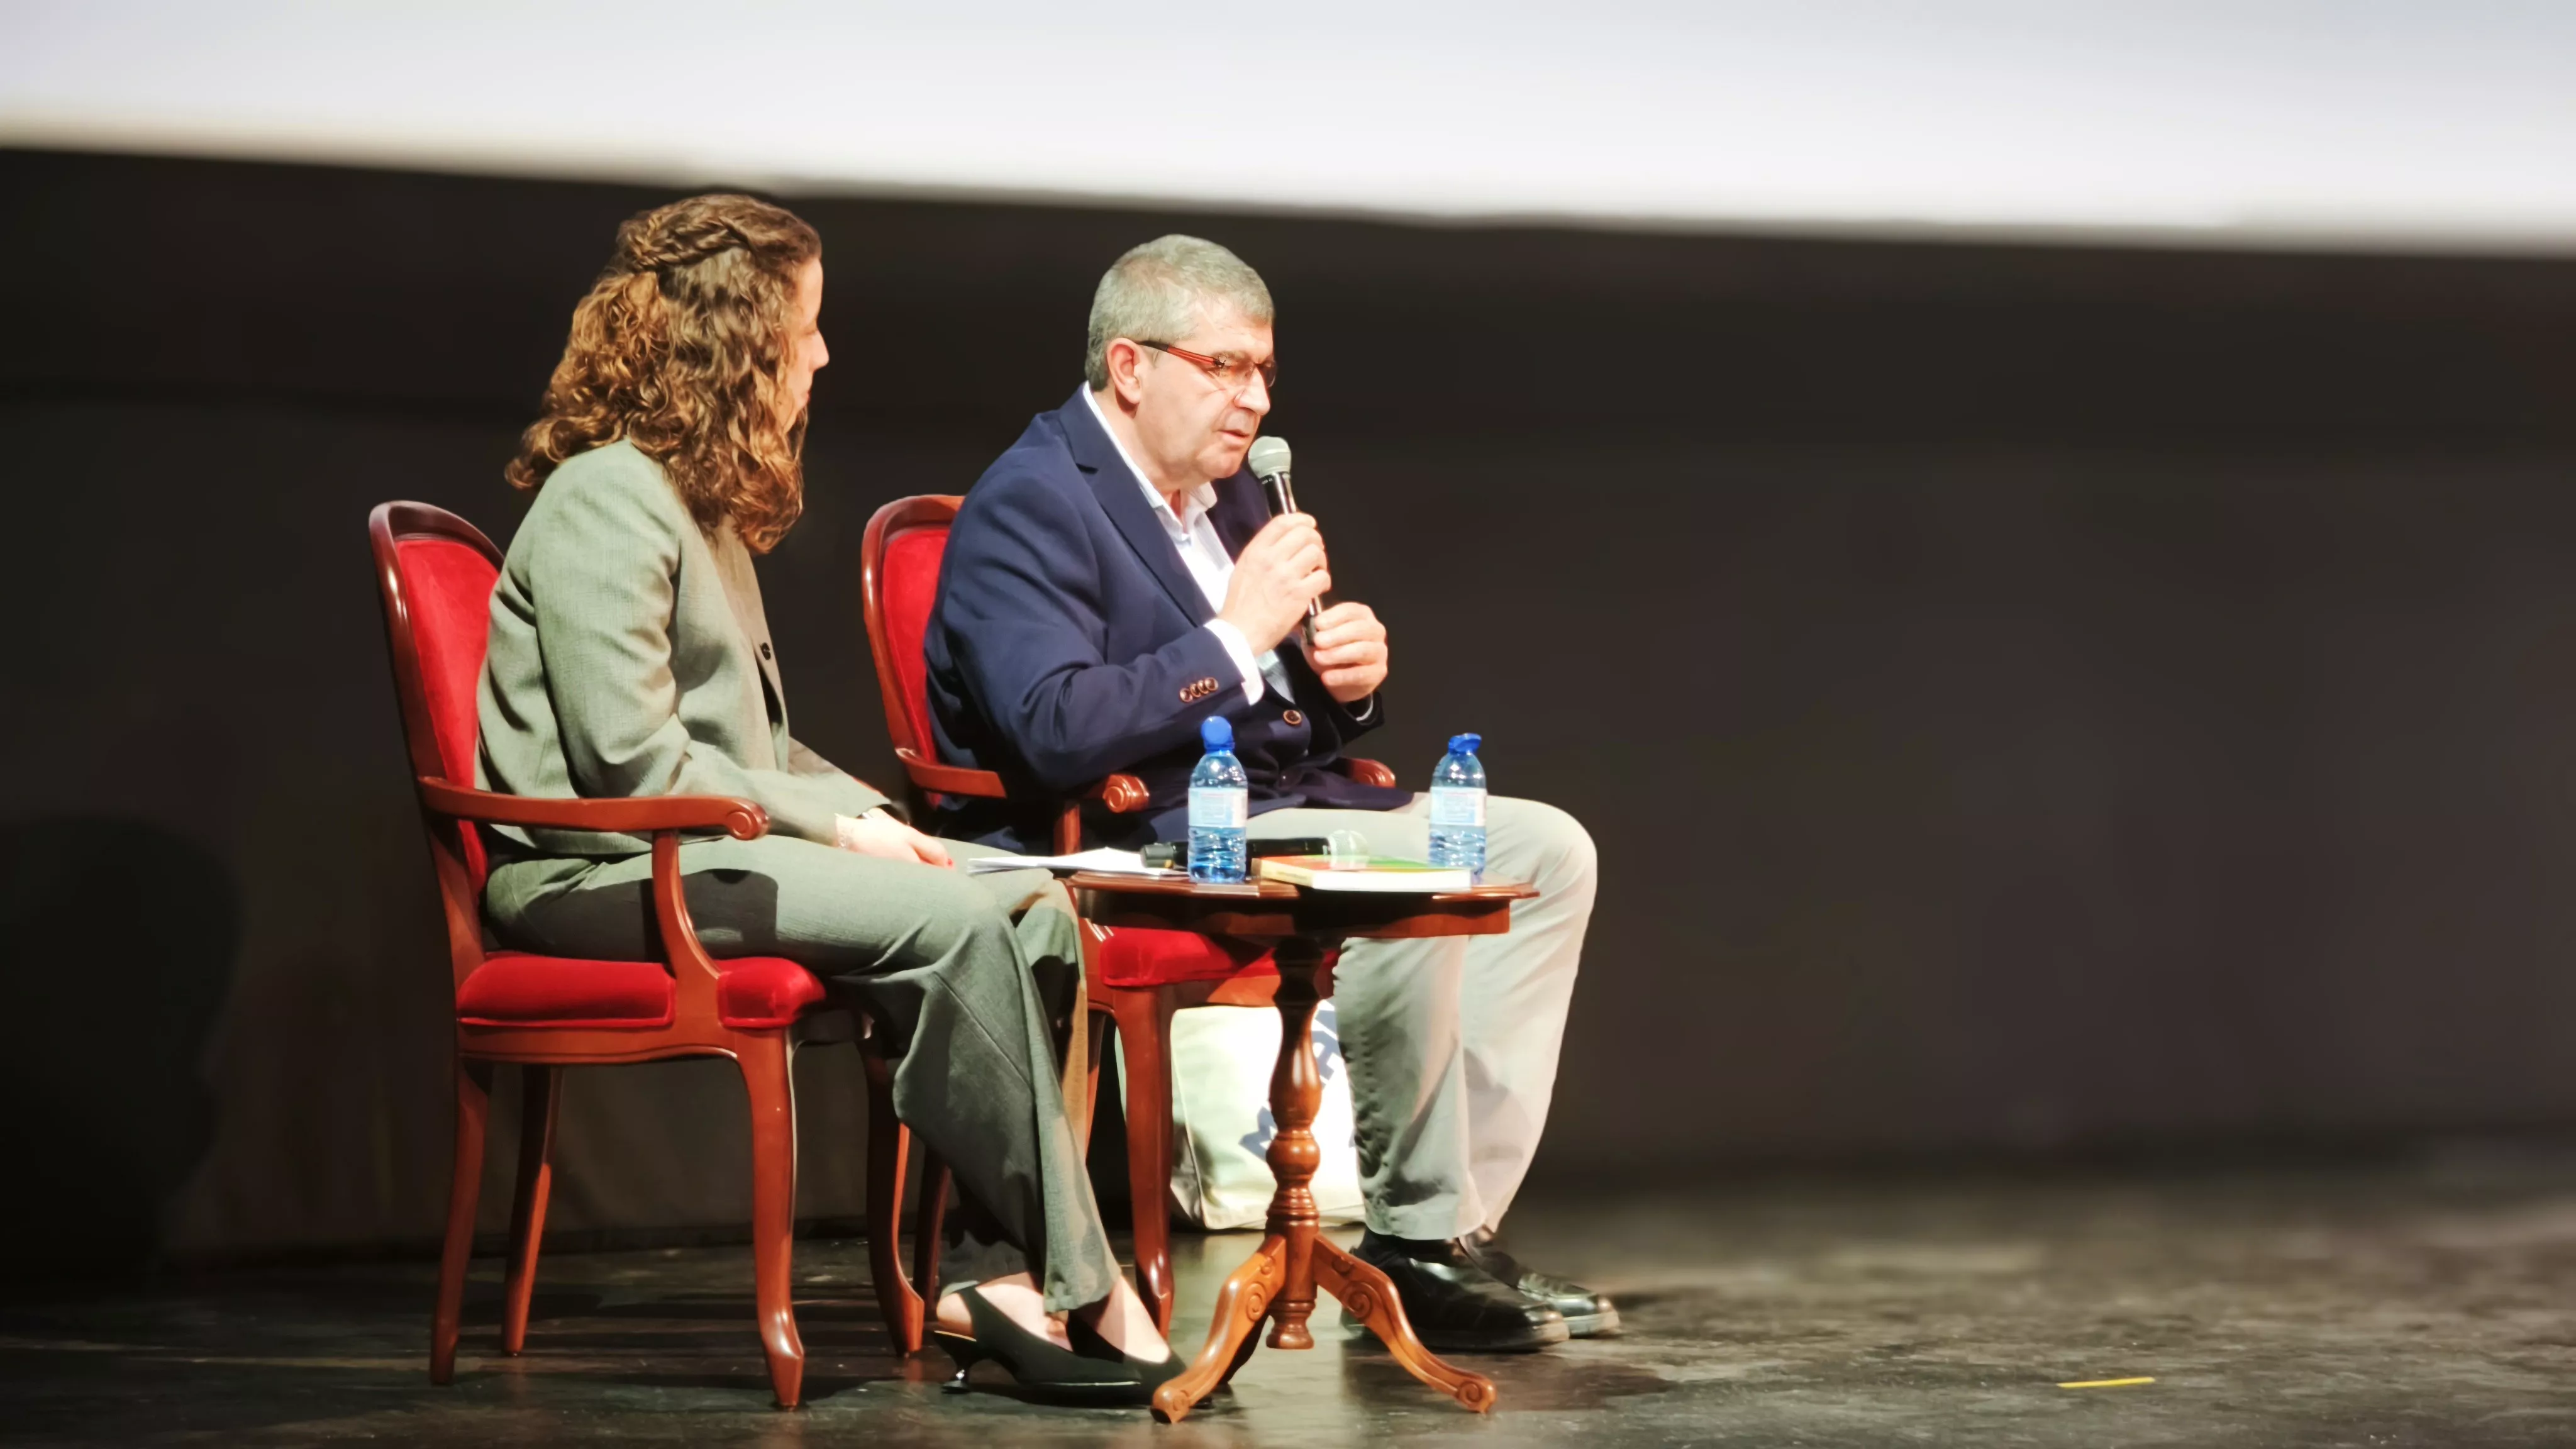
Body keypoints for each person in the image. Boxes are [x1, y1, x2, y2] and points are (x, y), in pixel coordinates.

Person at [472, 193, 1176, 1401]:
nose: (824, 354)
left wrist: (887, 826)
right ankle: (1089, 1289)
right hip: (596, 874)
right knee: (951, 921)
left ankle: (1006, 1280)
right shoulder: (604, 498)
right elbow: (631, 762)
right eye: (807, 326)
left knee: (1019, 905)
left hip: (700, 854)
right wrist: (832, 829)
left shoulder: (701, 515)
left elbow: (769, 749)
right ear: (738, 340)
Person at [925, 235, 1614, 1351]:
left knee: (1547, 851)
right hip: (1146, 831)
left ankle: (1437, 1233)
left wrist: (1343, 682)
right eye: (1225, 368)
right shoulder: (1036, 498)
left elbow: (1279, 705)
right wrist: (1235, 635)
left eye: (1265, 375)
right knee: (1409, 872)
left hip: (1279, 806)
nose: (1251, 401)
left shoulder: (1233, 492)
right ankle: (1422, 1233)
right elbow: (1051, 729)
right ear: (1133, 367)